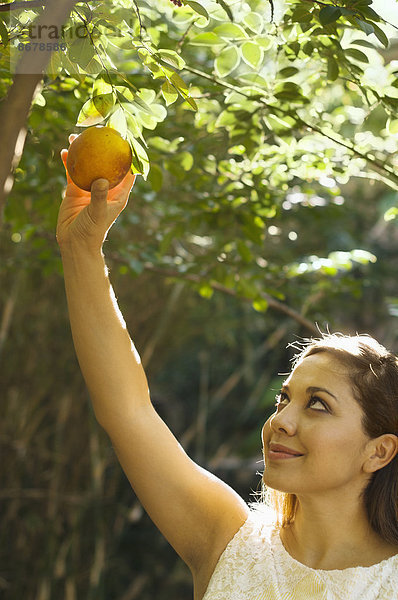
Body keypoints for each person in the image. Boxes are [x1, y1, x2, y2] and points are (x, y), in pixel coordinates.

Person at [57, 138, 398, 600]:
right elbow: (128, 411)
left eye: (317, 405)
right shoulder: (228, 541)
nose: (281, 421)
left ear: (379, 452)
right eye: (284, 399)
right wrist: (82, 249)